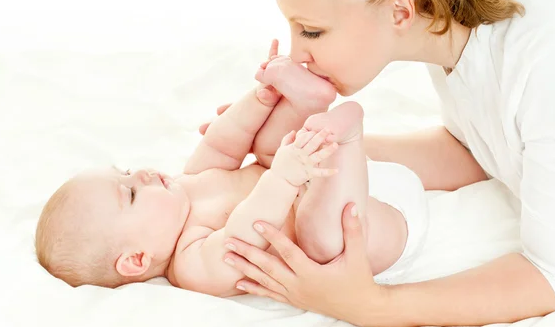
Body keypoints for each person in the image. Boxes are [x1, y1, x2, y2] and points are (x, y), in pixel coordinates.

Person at [201, 0, 555, 325]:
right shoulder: (453, 17)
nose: (299, 54)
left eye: (312, 30)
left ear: (400, 10)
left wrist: (370, 306)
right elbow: (478, 147)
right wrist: (309, 151)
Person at [34, 51, 428, 297]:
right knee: (321, 240)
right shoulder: (193, 266)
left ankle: (305, 99)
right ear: (137, 259)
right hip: (376, 227)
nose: (142, 175)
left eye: (127, 172)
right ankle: (348, 135)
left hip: (335, 179)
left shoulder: (188, 185)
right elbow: (245, 232)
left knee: (264, 148)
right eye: (131, 194)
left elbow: (225, 142)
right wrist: (286, 178)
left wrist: (260, 99)